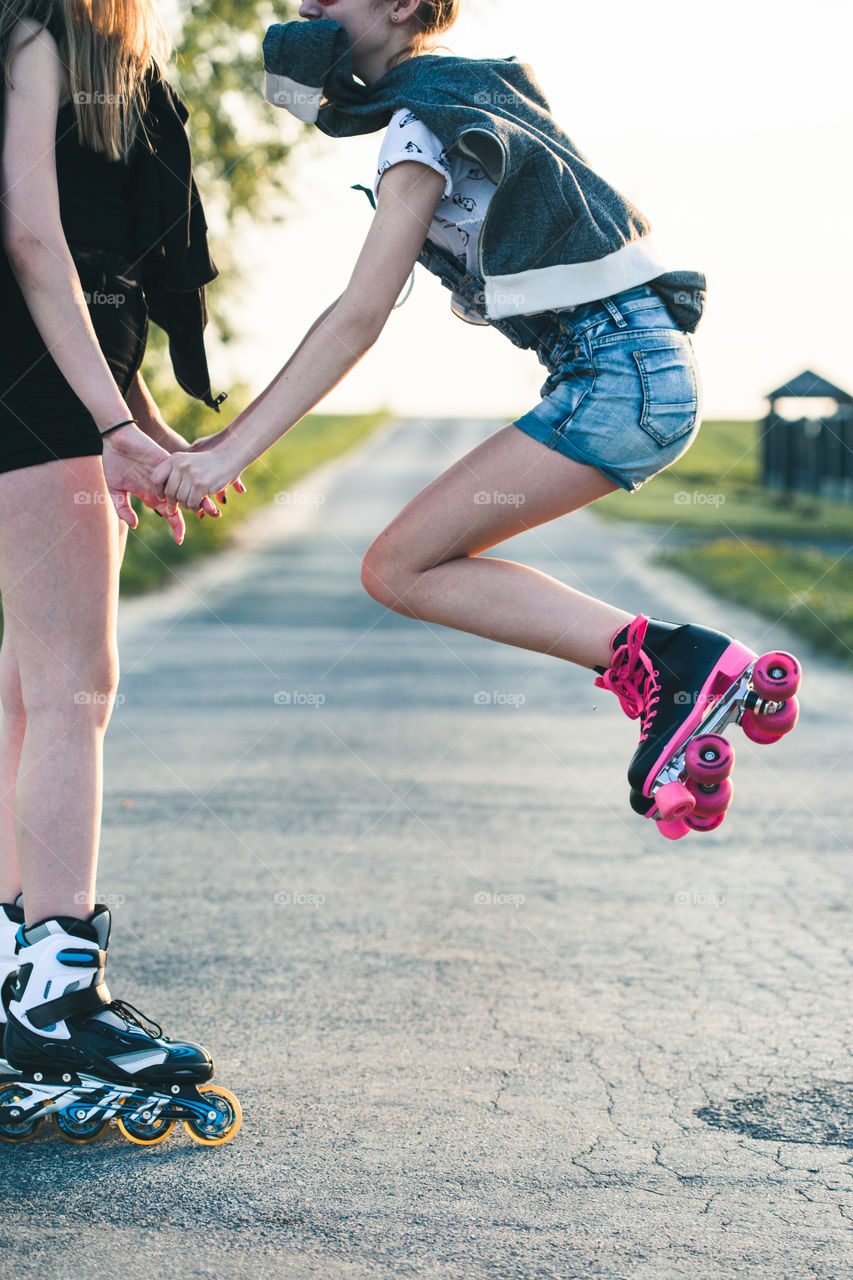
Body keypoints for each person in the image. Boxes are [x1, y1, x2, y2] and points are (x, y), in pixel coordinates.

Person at [156, 0, 800, 843]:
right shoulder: (465, 91)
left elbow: (359, 313)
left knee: (399, 567)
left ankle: (679, 665)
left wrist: (230, 451)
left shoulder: (426, 119)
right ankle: (678, 669)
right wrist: (223, 444)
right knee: (400, 566)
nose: (306, 6)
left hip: (617, 376)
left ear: (399, 6)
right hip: (631, 370)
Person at [0, 0, 241, 1144]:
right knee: (74, 687)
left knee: (28, 690)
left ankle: (17, 968)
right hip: (30, 384)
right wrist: (108, 423)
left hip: (54, 379)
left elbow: (99, 272)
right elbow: (34, 239)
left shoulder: (93, 48)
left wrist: (139, 418)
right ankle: (56, 992)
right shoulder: (39, 30)